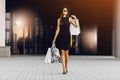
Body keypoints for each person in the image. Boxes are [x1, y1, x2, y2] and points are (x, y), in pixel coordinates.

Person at [52, 6, 78, 74]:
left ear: (67, 12)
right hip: (61, 37)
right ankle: (63, 68)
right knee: (62, 53)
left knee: (66, 53)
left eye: (66, 10)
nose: (65, 11)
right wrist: (54, 39)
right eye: (64, 10)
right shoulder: (59, 20)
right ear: (62, 11)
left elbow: (76, 25)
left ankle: (66, 66)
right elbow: (58, 30)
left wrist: (75, 18)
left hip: (67, 37)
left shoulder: (69, 19)